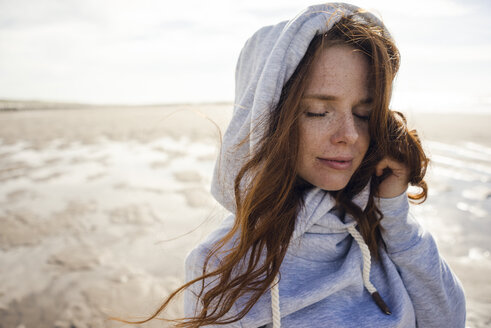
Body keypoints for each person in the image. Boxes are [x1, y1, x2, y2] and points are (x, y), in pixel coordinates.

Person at [134, 3, 467, 327]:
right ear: (265, 120)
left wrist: (395, 214)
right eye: (318, 112)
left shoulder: (380, 230)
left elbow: (450, 320)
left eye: (363, 113)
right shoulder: (221, 266)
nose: (349, 135)